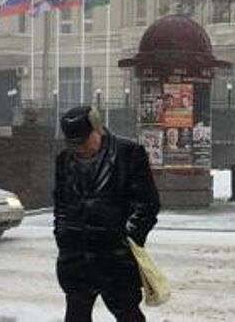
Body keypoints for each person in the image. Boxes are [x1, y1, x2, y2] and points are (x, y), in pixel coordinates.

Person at [53, 106, 161, 321]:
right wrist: (63, 234)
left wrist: (129, 236)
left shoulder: (128, 153)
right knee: (76, 315)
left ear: (98, 128)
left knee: (127, 314)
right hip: (76, 256)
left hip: (115, 256)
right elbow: (61, 203)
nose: (79, 148)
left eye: (83, 141)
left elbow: (148, 203)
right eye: (73, 143)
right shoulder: (65, 159)